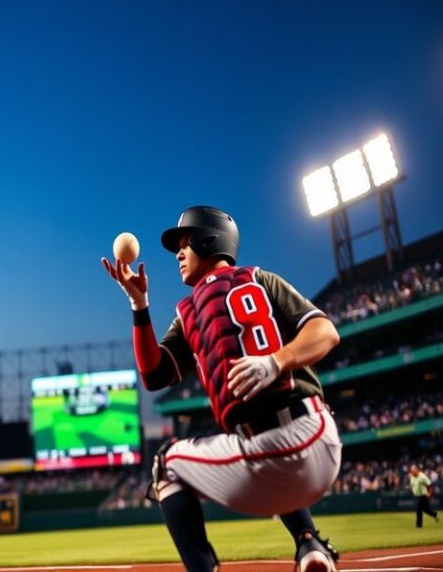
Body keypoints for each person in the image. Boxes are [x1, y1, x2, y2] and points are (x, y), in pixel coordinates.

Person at [102, 206, 343, 572]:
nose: (179, 255)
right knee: (254, 445)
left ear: (208, 240)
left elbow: (326, 332)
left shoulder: (255, 281)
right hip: (288, 453)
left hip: (301, 433)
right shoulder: (204, 306)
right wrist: (139, 305)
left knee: (166, 466)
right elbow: (155, 374)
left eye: (185, 244)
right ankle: (309, 543)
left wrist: (276, 360)